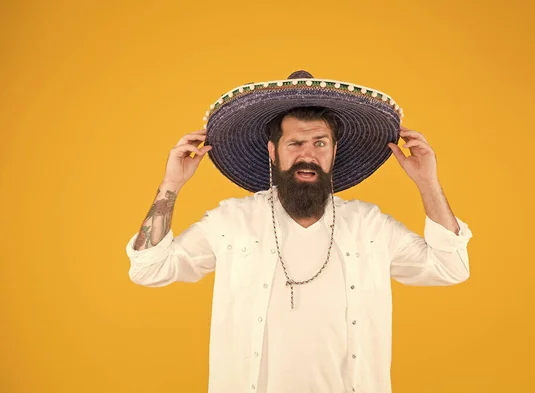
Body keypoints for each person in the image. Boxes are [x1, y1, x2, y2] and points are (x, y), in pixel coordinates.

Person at [125, 70, 473, 393]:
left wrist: (427, 182)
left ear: (334, 152)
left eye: (320, 143)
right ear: (273, 152)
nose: (308, 155)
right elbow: (149, 269)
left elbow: (450, 268)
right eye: (295, 144)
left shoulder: (370, 226)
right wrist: (171, 185)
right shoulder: (231, 222)